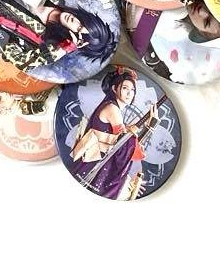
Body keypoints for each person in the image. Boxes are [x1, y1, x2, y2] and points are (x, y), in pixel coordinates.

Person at [0, 0, 116, 82]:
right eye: (82, 22)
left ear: (76, 41)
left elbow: (17, 58)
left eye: (78, 29)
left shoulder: (41, 43)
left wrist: (64, 49)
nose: (75, 21)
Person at [67, 66, 160, 200]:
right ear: (114, 89)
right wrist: (150, 128)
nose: (130, 93)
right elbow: (123, 145)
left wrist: (141, 129)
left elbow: (123, 141)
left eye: (132, 90)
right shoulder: (113, 109)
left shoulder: (110, 106)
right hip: (95, 165)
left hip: (98, 163)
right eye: (125, 88)